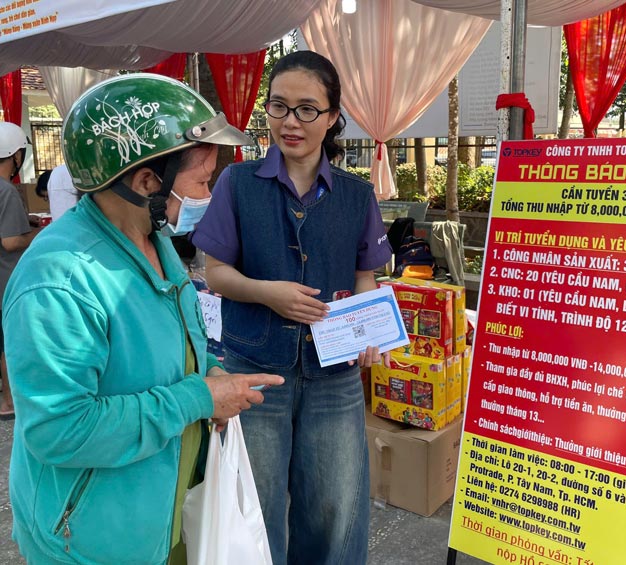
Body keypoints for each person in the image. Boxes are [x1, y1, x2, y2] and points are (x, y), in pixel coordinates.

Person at [3, 74, 285, 565]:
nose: (209, 195)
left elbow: (166, 345)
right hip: (90, 541)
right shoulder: (59, 280)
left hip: (161, 516)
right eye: (202, 181)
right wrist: (198, 398)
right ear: (147, 182)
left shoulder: (153, 240)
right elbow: (60, 430)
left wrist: (209, 373)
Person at [191, 50, 392, 565]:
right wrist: (268, 292)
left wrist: (370, 332)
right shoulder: (238, 184)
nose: (290, 122)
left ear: (332, 117)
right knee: (255, 513)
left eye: (307, 109)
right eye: (279, 107)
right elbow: (216, 273)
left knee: (334, 510)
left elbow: (364, 278)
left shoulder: (356, 194)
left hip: (334, 376)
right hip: (254, 372)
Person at [0, 121, 40, 421]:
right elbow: (11, 241)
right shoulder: (7, 191)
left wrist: (28, 224)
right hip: (6, 277)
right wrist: (40, 233)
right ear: (16, 155)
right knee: (8, 341)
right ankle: (10, 402)